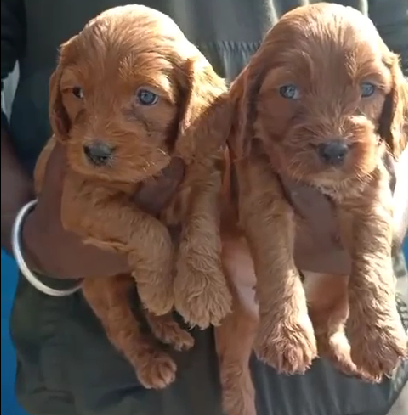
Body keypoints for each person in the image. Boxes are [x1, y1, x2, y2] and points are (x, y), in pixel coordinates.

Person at [1, 0, 407, 414]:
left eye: (368, 91)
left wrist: (389, 212)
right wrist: (23, 231)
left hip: (356, 386)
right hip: (95, 367)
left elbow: (400, 59)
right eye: (289, 91)